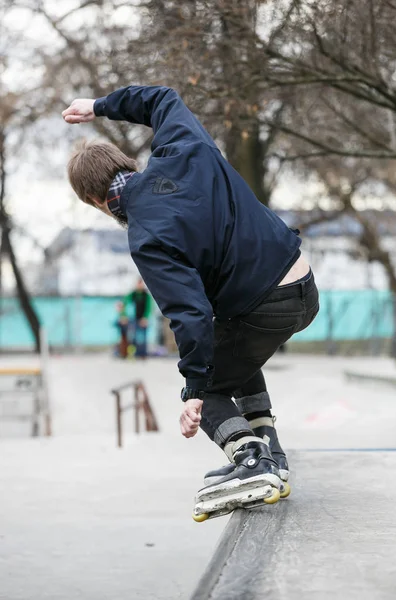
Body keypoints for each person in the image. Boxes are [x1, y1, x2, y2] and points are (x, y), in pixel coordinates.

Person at [62, 85, 319, 519]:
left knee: (212, 380)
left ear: (94, 200)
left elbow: (190, 313)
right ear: (126, 164)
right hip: (304, 284)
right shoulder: (184, 147)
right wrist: (97, 106)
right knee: (231, 345)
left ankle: (251, 459)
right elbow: (162, 98)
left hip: (265, 303)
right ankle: (269, 448)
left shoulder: (146, 236)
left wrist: (194, 390)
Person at [123, 278, 152, 358]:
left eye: (141, 284)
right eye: (138, 284)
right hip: (134, 319)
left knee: (143, 337)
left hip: (143, 319)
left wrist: (145, 318)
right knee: (134, 336)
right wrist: (123, 315)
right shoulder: (133, 294)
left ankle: (143, 354)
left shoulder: (146, 295)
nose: (139, 285)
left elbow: (149, 307)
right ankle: (135, 353)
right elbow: (124, 303)